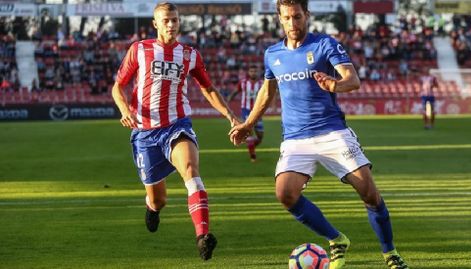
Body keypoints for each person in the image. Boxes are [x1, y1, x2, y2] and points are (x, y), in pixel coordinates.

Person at [228, 1, 409, 268]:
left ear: (307, 16)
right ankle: (336, 239)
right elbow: (267, 92)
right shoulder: (272, 53)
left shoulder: (325, 44)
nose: (293, 23)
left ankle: (390, 253)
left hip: (332, 132)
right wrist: (247, 124)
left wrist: (335, 83)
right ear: (279, 18)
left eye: (297, 17)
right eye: (287, 18)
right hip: (295, 138)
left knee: (369, 193)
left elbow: (353, 80)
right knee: (285, 193)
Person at [111, 2, 240, 261]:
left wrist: (231, 116)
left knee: (191, 171)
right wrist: (125, 110)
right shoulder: (139, 50)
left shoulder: (190, 54)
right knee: (159, 200)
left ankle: (203, 236)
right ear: (155, 24)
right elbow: (118, 86)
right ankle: (152, 207)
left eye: (175, 20)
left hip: (177, 125)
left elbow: (208, 88)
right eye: (166, 20)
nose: (171, 25)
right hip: (145, 133)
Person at [227, 64, 264, 162]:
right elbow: (235, 91)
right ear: (249, 72)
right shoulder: (243, 83)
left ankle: (251, 147)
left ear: (258, 72)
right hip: (246, 111)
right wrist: (229, 100)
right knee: (250, 133)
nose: (253, 73)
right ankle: (253, 156)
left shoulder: (262, 83)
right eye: (251, 71)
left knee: (260, 137)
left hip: (258, 111)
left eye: (255, 71)